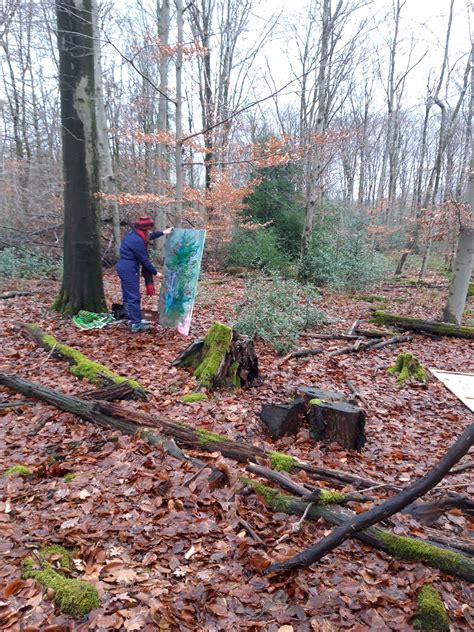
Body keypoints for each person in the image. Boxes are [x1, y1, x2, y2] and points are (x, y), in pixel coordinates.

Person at [117, 216, 173, 332]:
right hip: (128, 268)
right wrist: (155, 272)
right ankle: (136, 324)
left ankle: (132, 319)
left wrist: (163, 232)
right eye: (148, 229)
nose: (149, 231)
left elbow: (149, 237)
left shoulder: (134, 234)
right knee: (133, 296)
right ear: (144, 229)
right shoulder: (137, 240)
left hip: (125, 267)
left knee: (128, 296)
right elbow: (144, 259)